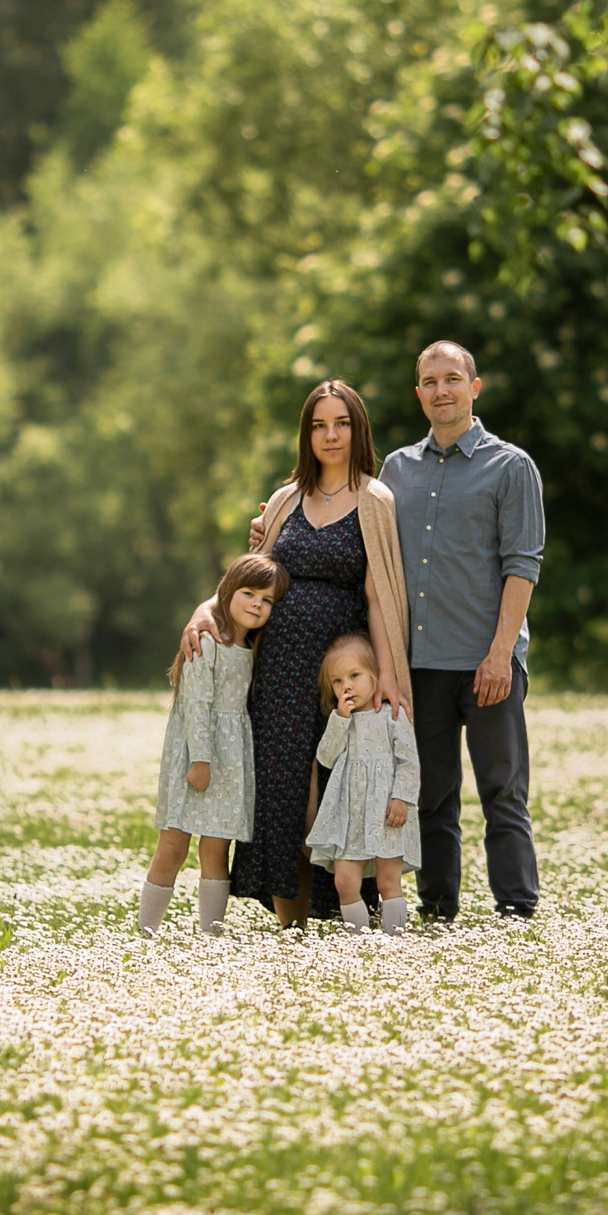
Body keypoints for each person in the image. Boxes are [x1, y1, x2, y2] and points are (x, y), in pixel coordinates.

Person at [186, 381, 411, 928]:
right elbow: (250, 581)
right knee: (284, 795)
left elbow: (379, 596)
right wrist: (202, 614)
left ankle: (346, 913)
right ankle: (293, 926)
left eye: (342, 424)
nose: (330, 435)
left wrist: (388, 678)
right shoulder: (287, 499)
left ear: (358, 431)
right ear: (306, 434)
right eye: (318, 425)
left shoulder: (376, 500)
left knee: (338, 794)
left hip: (341, 671)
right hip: (281, 672)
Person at [382, 341, 546, 921]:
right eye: (431, 381)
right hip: (421, 663)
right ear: (419, 393)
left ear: (474, 388)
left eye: (453, 379)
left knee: (503, 792)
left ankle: (516, 908)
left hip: (487, 663)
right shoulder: (396, 469)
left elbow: (522, 565)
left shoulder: (511, 466)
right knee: (433, 795)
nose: (442, 390)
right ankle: (438, 907)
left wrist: (500, 654)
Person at [141, 554, 287, 937]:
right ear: (226, 592)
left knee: (216, 849)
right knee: (173, 847)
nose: (257, 604)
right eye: (249, 593)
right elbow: (196, 706)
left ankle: (211, 937)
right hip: (195, 756)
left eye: (267, 600)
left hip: (232, 759)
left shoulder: (252, 649)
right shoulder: (207, 642)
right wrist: (201, 761)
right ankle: (145, 932)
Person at [305, 634, 420, 934]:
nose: (347, 686)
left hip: (387, 812)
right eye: (337, 681)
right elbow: (325, 758)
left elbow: (409, 761)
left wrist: (401, 799)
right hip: (350, 815)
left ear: (375, 675)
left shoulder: (391, 715)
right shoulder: (341, 719)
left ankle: (394, 940)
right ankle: (360, 942)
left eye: (354, 676)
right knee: (344, 880)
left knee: (387, 881)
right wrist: (340, 720)